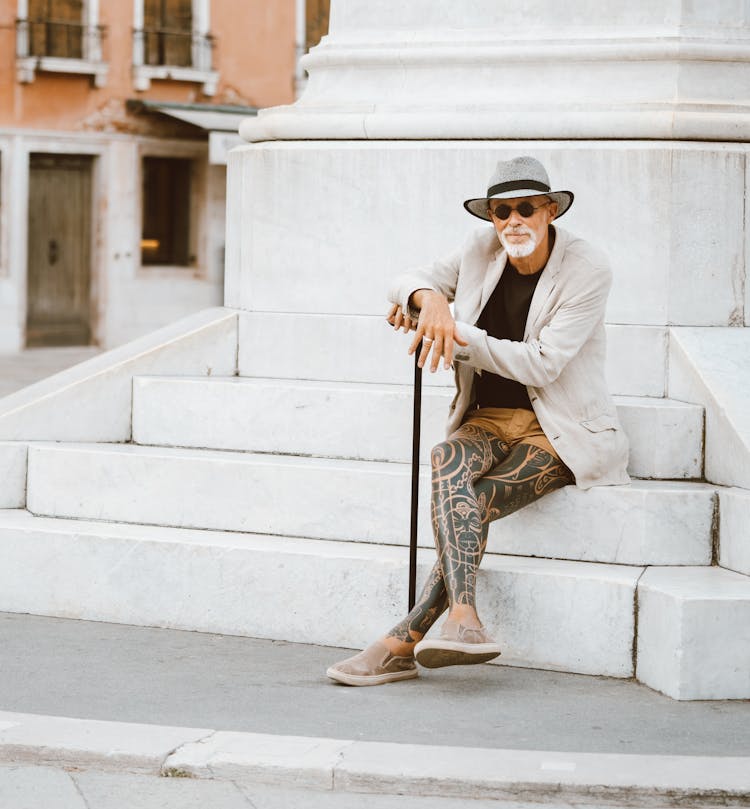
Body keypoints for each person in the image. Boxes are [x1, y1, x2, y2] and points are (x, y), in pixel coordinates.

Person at [326, 156, 630, 687]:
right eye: (500, 211)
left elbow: (542, 361)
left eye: (526, 208)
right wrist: (429, 302)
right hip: (488, 418)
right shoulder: (479, 248)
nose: (512, 221)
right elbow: (406, 280)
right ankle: (463, 617)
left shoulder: (588, 268)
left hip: (559, 429)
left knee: (472, 503)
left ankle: (403, 639)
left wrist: (454, 331)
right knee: (446, 461)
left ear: (550, 210)